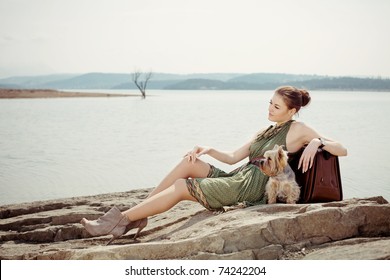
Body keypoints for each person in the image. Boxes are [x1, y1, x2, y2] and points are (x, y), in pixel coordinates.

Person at [80, 86, 348, 244]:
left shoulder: (299, 128)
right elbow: (233, 157)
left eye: (276, 107)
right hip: (238, 176)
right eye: (270, 103)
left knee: (182, 185)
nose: (269, 109)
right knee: (190, 162)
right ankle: (137, 215)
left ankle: (119, 222)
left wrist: (317, 142)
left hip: (251, 190)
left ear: (291, 111)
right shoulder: (266, 130)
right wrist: (207, 149)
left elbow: (343, 149)